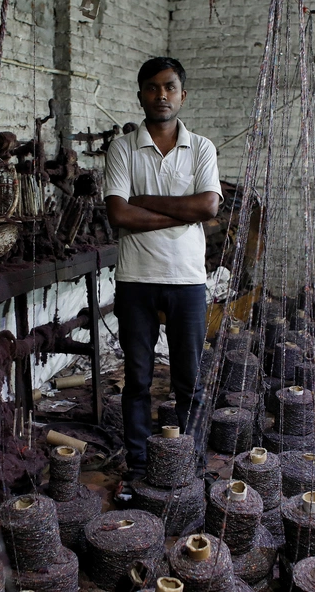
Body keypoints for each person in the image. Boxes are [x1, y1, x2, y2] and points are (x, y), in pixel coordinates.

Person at [104, 57, 222, 485]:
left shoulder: (202, 147)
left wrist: (145, 199)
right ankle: (138, 463)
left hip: (188, 280)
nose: (161, 95)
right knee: (136, 379)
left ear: (182, 95)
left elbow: (208, 206)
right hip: (136, 278)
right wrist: (182, 213)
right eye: (152, 88)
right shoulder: (122, 148)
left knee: (188, 380)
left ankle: (187, 460)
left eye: (169, 87)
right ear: (140, 94)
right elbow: (119, 212)